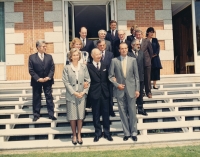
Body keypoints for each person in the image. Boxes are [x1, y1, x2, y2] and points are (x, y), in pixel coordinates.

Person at [109, 42, 140, 141]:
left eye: (125, 48)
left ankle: (134, 132)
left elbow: (137, 77)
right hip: (120, 90)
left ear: (128, 49)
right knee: (122, 113)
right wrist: (117, 85)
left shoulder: (133, 60)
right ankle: (126, 133)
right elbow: (110, 76)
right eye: (122, 48)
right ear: (119, 50)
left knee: (132, 112)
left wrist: (137, 89)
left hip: (131, 90)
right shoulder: (114, 61)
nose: (124, 50)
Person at [62, 48, 91, 145]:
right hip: (71, 95)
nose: (76, 57)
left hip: (81, 95)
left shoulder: (83, 67)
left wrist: (84, 92)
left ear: (79, 56)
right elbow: (66, 82)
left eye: (77, 55)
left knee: (80, 116)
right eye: (74, 55)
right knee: (73, 116)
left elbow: (88, 80)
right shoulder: (66, 67)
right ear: (70, 56)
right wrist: (74, 92)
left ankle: (79, 134)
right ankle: (74, 134)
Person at [87, 48, 113, 142]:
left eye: (100, 54)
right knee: (96, 114)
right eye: (97, 54)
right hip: (94, 93)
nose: (99, 56)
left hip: (105, 93)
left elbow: (108, 80)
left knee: (106, 114)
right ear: (92, 55)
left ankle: (107, 133)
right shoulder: (88, 67)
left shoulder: (105, 65)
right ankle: (98, 133)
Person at [28, 40, 57, 122]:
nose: (45, 47)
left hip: (47, 81)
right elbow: (31, 70)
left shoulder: (49, 57)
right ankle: (36, 115)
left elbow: (52, 68)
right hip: (36, 81)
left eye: (45, 46)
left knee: (49, 97)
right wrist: (38, 78)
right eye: (43, 46)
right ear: (38, 47)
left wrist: (49, 77)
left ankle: (51, 115)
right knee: (36, 97)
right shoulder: (32, 57)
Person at [128, 39, 148, 116]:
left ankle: (140, 109)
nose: (139, 45)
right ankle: (132, 110)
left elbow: (143, 65)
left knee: (140, 94)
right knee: (132, 95)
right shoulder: (128, 54)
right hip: (131, 79)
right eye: (137, 44)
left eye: (139, 44)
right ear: (132, 45)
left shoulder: (141, 53)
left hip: (140, 77)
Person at [96, 40, 115, 117]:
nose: (102, 46)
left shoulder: (110, 54)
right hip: (99, 79)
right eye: (100, 45)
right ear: (97, 46)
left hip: (108, 79)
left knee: (110, 95)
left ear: (106, 46)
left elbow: (112, 66)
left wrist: (113, 76)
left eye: (103, 45)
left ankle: (111, 110)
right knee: (100, 96)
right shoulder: (95, 54)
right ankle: (101, 111)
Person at [135, 29, 153, 98]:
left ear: (142, 35)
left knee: (147, 78)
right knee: (140, 78)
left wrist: (148, 59)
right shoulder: (134, 42)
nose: (138, 36)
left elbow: (151, 52)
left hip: (146, 62)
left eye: (139, 34)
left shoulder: (147, 41)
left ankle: (148, 92)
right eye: (137, 35)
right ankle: (141, 92)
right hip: (138, 63)